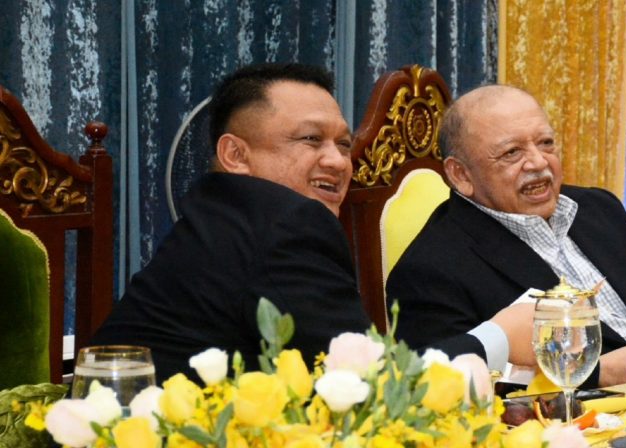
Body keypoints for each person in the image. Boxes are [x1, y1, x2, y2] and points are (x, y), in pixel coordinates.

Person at [91, 64, 522, 383]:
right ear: (235, 155)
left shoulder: (222, 214)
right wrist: (499, 337)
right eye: (310, 139)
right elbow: (366, 382)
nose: (337, 161)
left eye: (343, 144)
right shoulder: (286, 222)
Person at [386, 85, 626, 387]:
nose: (538, 163)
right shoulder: (429, 269)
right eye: (512, 153)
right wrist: (598, 373)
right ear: (460, 175)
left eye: (546, 143)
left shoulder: (598, 208)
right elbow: (447, 381)